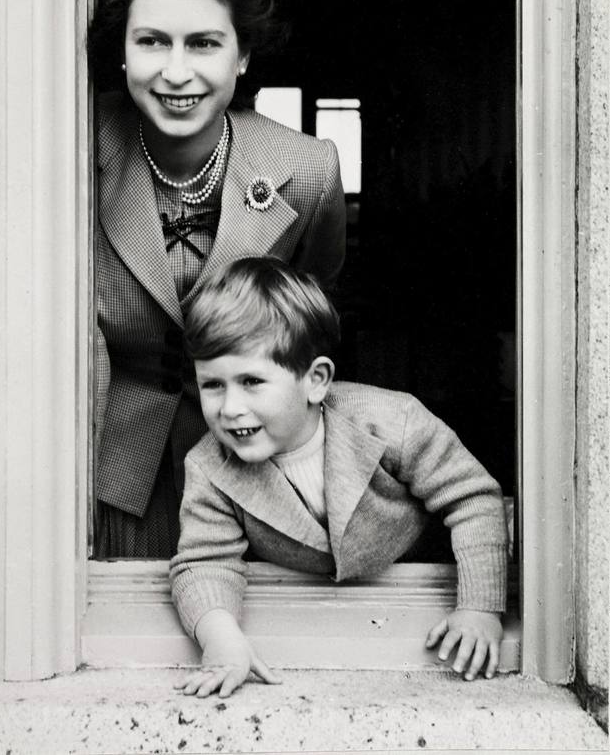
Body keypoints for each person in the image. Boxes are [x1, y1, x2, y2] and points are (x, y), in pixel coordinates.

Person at [87, 0, 346, 558]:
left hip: (257, 468)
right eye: (152, 42)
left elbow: (309, 321)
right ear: (123, 52)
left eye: (204, 43)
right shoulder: (79, 147)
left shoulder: (308, 170)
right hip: (115, 471)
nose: (178, 72)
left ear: (243, 56)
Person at [170, 256, 508, 697]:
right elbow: (204, 562)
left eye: (251, 381)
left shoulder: (393, 421)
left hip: (417, 601)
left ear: (316, 380)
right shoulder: (209, 466)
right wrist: (222, 639)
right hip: (314, 620)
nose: (230, 407)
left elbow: (474, 499)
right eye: (213, 385)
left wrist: (480, 609)